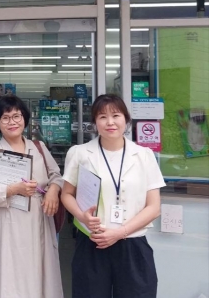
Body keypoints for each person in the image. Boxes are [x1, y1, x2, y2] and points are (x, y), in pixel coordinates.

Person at [61, 94, 165, 298]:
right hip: (93, 241)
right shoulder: (80, 153)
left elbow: (154, 207)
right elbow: (66, 194)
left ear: (126, 119)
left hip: (132, 243)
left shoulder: (144, 155)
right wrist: (82, 217)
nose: (110, 122)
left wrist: (119, 233)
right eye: (102, 117)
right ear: (94, 123)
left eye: (116, 115)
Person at [0, 95, 63, 298]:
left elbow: (56, 175)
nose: (12, 122)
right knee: (10, 270)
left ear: (24, 118)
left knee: (38, 269)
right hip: (8, 221)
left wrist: (53, 190)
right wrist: (14, 189)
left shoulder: (38, 147)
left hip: (38, 219)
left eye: (16, 116)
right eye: (5, 118)